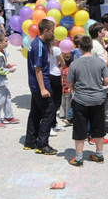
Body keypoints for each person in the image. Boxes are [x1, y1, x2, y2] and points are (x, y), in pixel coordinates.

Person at [66, 36, 108, 167]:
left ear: (79, 47)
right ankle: (99, 154)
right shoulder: (100, 62)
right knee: (98, 128)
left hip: (80, 100)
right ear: (91, 46)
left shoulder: (75, 63)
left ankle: (79, 158)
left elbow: (69, 83)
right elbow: (107, 81)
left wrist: (76, 88)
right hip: (98, 99)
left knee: (80, 129)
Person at [24, 19, 57, 155]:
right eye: (52, 31)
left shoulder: (37, 43)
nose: (53, 34)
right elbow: (38, 68)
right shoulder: (38, 44)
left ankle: (30, 141)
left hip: (35, 84)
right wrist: (43, 88)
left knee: (36, 112)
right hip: (40, 84)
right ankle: (42, 144)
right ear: (46, 31)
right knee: (49, 112)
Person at [0, 34, 19, 128]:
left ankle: (8, 117)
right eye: (6, 41)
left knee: (7, 96)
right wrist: (10, 70)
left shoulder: (0, 52)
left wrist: (7, 66)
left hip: (1, 79)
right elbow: (0, 70)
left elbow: (1, 67)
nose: (7, 42)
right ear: (0, 43)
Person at [46, 31, 65, 134]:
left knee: (50, 100)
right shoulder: (56, 49)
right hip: (55, 74)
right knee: (56, 101)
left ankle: (53, 123)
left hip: (47, 75)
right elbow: (62, 62)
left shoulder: (44, 49)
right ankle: (50, 124)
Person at [59, 54, 73, 119]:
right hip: (69, 89)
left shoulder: (62, 69)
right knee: (69, 103)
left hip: (63, 89)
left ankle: (62, 114)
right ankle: (67, 114)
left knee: (63, 103)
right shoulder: (70, 70)